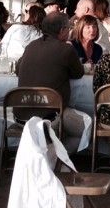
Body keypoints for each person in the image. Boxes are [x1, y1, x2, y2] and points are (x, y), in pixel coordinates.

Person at [15, 12, 86, 150]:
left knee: (64, 126)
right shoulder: (66, 50)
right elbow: (78, 73)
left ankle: (48, 152)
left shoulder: (31, 46)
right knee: (87, 129)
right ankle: (54, 157)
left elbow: (18, 70)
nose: (69, 31)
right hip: (50, 117)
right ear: (62, 31)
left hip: (21, 117)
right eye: (69, 28)